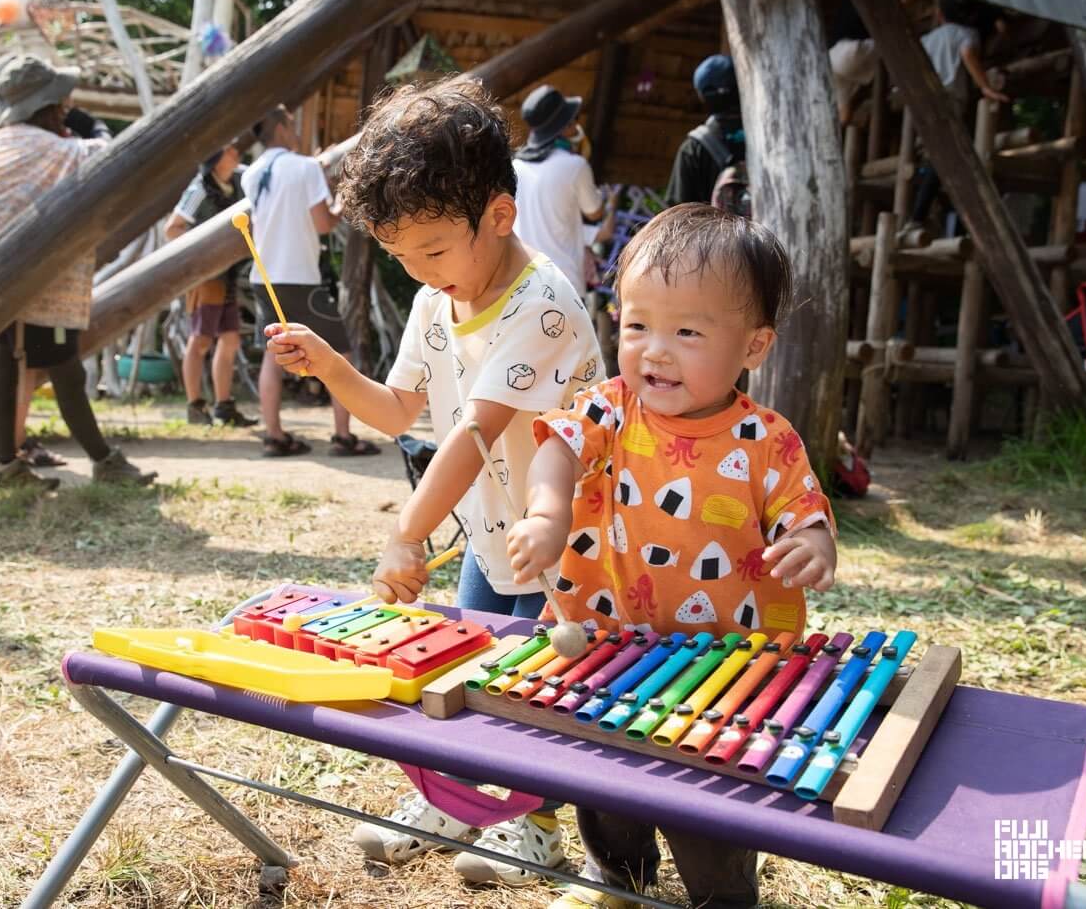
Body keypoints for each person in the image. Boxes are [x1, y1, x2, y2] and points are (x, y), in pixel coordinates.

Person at [265, 76, 602, 884]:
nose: (420, 271)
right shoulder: (434, 299)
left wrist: (406, 532)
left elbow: (472, 429)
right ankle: (457, 801)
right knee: (456, 672)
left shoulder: (542, 304)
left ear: (498, 214)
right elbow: (395, 410)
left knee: (540, 687)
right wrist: (332, 364)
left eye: (433, 250)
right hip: (491, 532)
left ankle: (537, 826)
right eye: (400, 256)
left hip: (566, 535)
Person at [505, 203, 837, 909]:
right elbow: (558, 447)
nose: (654, 350)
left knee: (708, 807)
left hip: (726, 660)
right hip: (614, 637)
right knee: (608, 780)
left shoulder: (765, 440)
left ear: (753, 345)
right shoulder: (609, 407)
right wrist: (547, 510)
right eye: (636, 325)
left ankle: (722, 896)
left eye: (686, 331)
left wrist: (809, 546)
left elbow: (804, 514)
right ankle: (619, 879)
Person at [0, 54, 155, 490]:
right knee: (65, 368)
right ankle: (104, 462)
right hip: (5, 272)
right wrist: (92, 124)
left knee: (9, 365)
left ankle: (8, 468)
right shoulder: (47, 147)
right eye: (62, 103)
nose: (67, 108)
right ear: (49, 108)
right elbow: (106, 156)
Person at [241, 105, 378, 458]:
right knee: (339, 354)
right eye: (292, 123)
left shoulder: (252, 173)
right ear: (283, 128)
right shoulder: (304, 168)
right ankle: (343, 436)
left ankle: (274, 435)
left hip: (265, 276)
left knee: (274, 355)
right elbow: (323, 224)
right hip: (301, 277)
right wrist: (342, 201)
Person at [164, 144, 258, 428]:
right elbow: (173, 228)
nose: (235, 153)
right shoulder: (199, 189)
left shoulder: (237, 182)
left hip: (226, 274)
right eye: (229, 150)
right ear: (216, 160)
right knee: (201, 339)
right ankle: (195, 405)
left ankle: (223, 405)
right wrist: (204, 254)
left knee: (230, 339)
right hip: (205, 277)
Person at [909, 0, 1009, 229]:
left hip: (923, 100)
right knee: (943, 155)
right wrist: (985, 86)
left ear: (940, 14)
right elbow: (967, 55)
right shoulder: (967, 34)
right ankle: (918, 216)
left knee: (929, 153)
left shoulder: (928, 39)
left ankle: (919, 213)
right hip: (948, 98)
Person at [511, 84, 615, 299]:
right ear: (566, 127)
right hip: (563, 283)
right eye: (573, 119)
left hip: (520, 282)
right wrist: (611, 201)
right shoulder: (574, 166)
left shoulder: (515, 166)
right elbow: (594, 213)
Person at [665, 55, 745, 208]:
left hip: (719, 232)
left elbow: (678, 213)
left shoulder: (694, 147)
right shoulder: (771, 136)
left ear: (705, 96)